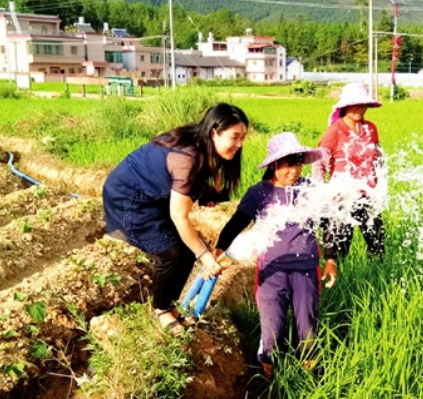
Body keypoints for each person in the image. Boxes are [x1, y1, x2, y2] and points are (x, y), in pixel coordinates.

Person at [102, 102, 249, 334]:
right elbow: (179, 216)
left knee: (185, 252)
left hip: (151, 196)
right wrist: (205, 256)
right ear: (214, 133)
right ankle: (161, 310)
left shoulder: (200, 143)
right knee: (171, 253)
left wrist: (202, 193)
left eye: (243, 137)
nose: (239, 144)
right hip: (129, 200)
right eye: (234, 137)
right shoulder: (188, 157)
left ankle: (169, 306)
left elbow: (180, 181)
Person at [215, 132, 338, 379]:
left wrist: (331, 260)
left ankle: (308, 376)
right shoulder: (259, 192)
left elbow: (328, 223)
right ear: (274, 164)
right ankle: (269, 375)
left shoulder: (309, 189)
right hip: (271, 270)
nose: (294, 171)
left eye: (298, 164)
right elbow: (238, 222)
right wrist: (218, 250)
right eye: (287, 164)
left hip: (306, 267)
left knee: (308, 325)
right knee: (272, 328)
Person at [312, 82, 385, 260]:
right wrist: (322, 193)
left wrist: (381, 185)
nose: (360, 108)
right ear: (345, 106)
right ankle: (339, 280)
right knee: (340, 247)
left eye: (363, 104)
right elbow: (318, 164)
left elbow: (378, 157)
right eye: (355, 104)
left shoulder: (370, 128)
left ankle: (376, 277)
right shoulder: (335, 131)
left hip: (367, 194)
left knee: (377, 243)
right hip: (342, 196)